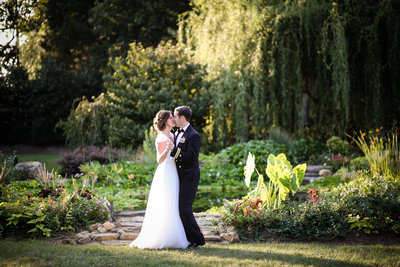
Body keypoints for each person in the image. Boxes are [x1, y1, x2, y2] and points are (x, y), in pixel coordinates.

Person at [130, 110, 189, 249]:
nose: (173, 119)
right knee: (166, 201)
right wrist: (167, 150)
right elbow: (159, 160)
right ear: (164, 121)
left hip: (174, 171)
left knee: (174, 202)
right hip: (165, 172)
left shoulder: (174, 135)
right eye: (170, 118)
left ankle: (175, 237)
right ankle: (162, 236)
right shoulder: (161, 137)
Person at [170, 106, 205, 248]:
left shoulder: (194, 135)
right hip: (180, 175)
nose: (173, 119)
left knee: (185, 209)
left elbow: (190, 157)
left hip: (190, 175)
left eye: (175, 117)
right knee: (180, 208)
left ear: (182, 118)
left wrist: (173, 151)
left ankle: (198, 239)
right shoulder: (177, 132)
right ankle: (188, 238)